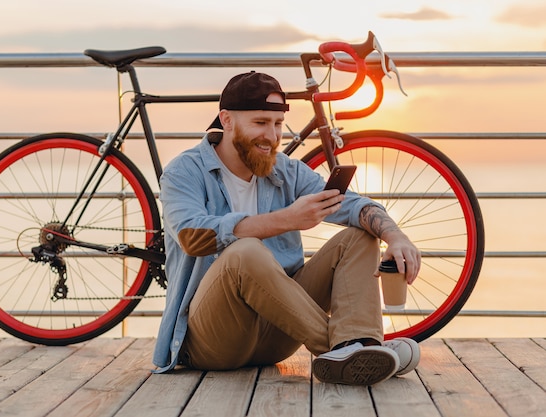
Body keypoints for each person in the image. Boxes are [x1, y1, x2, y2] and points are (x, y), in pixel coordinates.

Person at [152, 71, 422, 385]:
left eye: (278, 124)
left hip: (276, 338)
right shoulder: (184, 171)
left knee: (359, 236)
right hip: (212, 342)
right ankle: (354, 349)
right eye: (260, 123)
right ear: (226, 120)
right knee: (245, 251)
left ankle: (356, 345)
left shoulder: (287, 171)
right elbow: (191, 237)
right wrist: (288, 219)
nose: (272, 135)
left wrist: (395, 236)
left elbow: (352, 204)